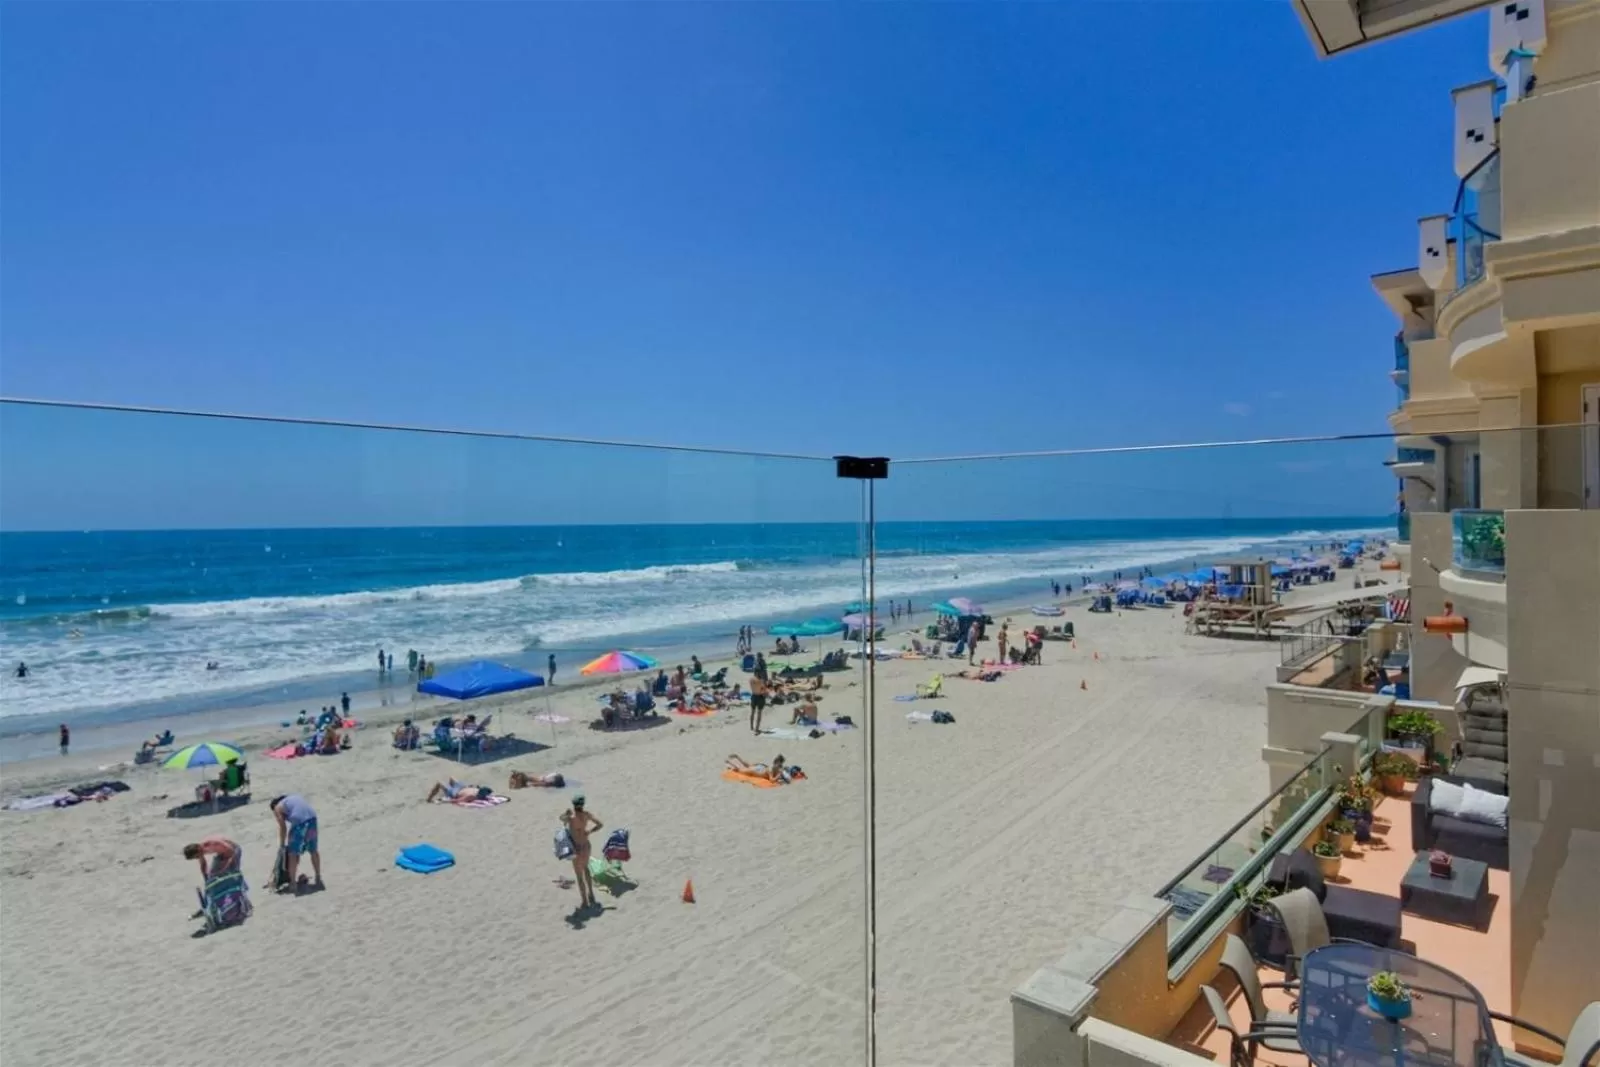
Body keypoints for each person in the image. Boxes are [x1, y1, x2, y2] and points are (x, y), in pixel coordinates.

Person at [269, 794, 323, 893]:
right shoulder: (291, 798)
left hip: (299, 822)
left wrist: (282, 845)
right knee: (313, 850)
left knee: (293, 853)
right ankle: (318, 877)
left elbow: (283, 827)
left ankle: (293, 883)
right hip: (312, 818)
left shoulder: (277, 807)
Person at [560, 796, 603, 911]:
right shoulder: (586, 815)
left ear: (574, 805)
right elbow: (600, 824)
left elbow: (561, 819)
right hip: (586, 846)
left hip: (576, 848)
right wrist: (589, 831)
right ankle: (591, 894)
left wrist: (566, 814)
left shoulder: (571, 818)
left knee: (579, 876)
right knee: (586, 869)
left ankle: (585, 901)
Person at [426, 778, 491, 803]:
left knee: (439, 783)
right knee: (451, 778)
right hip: (462, 787)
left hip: (456, 793)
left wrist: (445, 800)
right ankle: (447, 791)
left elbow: (458, 800)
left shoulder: (472, 796)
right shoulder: (478, 790)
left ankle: (429, 799)